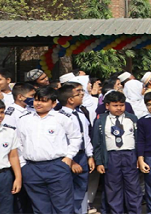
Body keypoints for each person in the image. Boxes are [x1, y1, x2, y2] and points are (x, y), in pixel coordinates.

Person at [17, 87, 82, 214]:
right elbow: (18, 143)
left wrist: (69, 157)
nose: (39, 104)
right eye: (36, 100)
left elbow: (76, 137)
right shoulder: (24, 120)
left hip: (57, 166)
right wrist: (23, 165)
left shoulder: (61, 118)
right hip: (32, 168)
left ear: (53, 103)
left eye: (44, 101)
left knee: (63, 207)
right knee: (40, 207)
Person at [93, 91, 141, 214]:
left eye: (121, 105)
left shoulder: (132, 118)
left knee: (133, 188)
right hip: (111, 156)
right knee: (113, 189)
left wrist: (139, 158)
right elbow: (97, 143)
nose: (119, 108)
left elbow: (138, 139)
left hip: (129, 155)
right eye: (115, 105)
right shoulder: (101, 120)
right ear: (107, 106)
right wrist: (99, 162)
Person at [57, 84, 95, 214]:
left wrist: (90, 155)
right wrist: (71, 160)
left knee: (82, 187)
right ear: (70, 99)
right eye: (78, 94)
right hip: (69, 157)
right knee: (68, 190)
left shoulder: (81, 113)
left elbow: (86, 136)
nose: (82, 95)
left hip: (83, 155)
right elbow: (62, 142)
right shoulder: (60, 116)